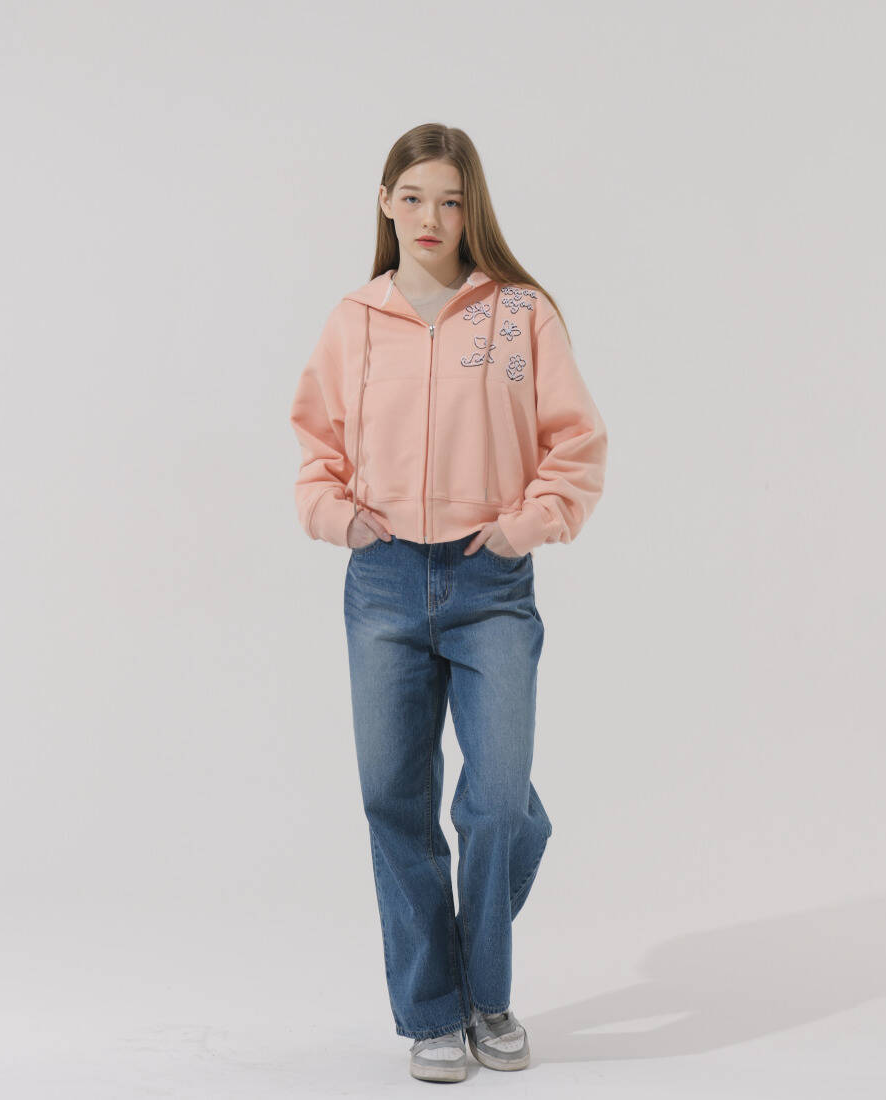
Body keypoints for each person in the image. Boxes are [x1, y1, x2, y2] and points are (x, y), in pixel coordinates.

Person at [289, 122, 608, 1083]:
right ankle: (438, 1012)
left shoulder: (519, 313)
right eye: (414, 196)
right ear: (386, 203)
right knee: (395, 800)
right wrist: (337, 518)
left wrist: (526, 525)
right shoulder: (355, 319)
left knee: (500, 805)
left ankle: (484, 988)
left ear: (474, 210)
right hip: (383, 582)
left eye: (452, 200)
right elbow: (315, 445)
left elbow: (576, 442)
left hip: (488, 581)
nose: (431, 216)